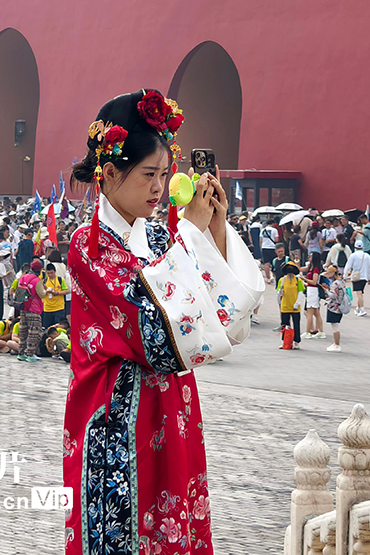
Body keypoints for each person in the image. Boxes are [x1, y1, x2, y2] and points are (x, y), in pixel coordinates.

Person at [63, 89, 264, 554]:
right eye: (148, 174)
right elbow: (154, 326)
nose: (159, 187)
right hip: (116, 420)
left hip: (171, 408)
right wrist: (190, 234)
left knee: (174, 524)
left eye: (164, 174)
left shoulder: (160, 236)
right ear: (109, 173)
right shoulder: (90, 247)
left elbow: (220, 316)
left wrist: (213, 228)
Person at [277, 261, 305, 348]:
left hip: (295, 306)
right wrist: (280, 294)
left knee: (296, 324)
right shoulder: (282, 280)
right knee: (285, 324)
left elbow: (300, 292)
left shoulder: (298, 280)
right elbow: (279, 293)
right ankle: (285, 341)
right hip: (285, 305)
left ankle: (297, 342)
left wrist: (297, 303)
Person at [344, 239, 370, 316]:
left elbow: (348, 266)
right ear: (363, 247)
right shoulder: (366, 255)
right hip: (364, 277)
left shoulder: (353, 255)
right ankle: (358, 308)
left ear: (355, 247)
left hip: (356, 277)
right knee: (360, 292)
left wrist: (345, 276)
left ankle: (362, 309)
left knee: (359, 294)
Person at [302, 252, 325, 339]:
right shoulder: (310, 267)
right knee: (316, 312)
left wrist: (304, 279)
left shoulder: (315, 269)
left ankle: (308, 331)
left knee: (310, 312)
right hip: (310, 289)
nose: (309, 257)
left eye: (310, 256)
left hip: (313, 291)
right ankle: (321, 331)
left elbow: (314, 282)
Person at [323, 265, 345, 352]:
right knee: (335, 325)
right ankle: (335, 343)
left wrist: (326, 291)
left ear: (332, 273)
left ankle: (337, 344)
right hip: (340, 306)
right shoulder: (342, 282)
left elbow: (333, 296)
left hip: (334, 307)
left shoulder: (335, 283)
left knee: (335, 326)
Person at [41, 261, 67, 328]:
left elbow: (66, 291)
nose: (50, 275)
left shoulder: (60, 280)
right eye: (48, 273)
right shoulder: (44, 281)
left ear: (55, 271)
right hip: (47, 308)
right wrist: (45, 291)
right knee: (48, 328)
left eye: (51, 273)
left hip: (59, 308)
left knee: (59, 327)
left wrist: (57, 293)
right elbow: (40, 294)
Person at [260, 219, 279, 284]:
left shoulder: (262, 230)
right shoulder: (274, 230)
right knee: (274, 263)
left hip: (264, 247)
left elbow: (260, 240)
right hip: (272, 247)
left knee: (266, 264)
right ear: (272, 224)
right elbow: (276, 240)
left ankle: (268, 278)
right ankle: (273, 276)